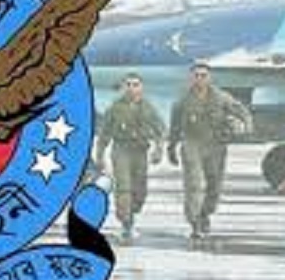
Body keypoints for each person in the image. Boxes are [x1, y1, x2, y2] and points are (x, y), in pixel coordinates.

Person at [167, 62, 253, 239]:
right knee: (193, 185)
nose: (200, 79)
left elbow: (241, 111)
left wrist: (247, 125)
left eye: (203, 75)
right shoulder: (182, 100)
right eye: (196, 75)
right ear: (191, 78)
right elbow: (174, 126)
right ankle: (194, 223)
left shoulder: (221, 97)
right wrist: (171, 148)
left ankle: (205, 213)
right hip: (192, 143)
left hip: (215, 145)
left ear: (209, 78)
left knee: (214, 186)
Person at [94, 72, 165, 240]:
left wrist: (159, 149)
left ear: (142, 87)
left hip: (140, 151)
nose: (132, 88)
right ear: (124, 87)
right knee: (124, 187)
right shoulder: (115, 108)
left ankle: (133, 212)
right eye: (129, 85)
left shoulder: (148, 108)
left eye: (135, 85)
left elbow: (160, 130)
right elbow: (104, 134)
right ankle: (126, 223)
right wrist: (100, 155)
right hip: (121, 150)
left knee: (140, 190)